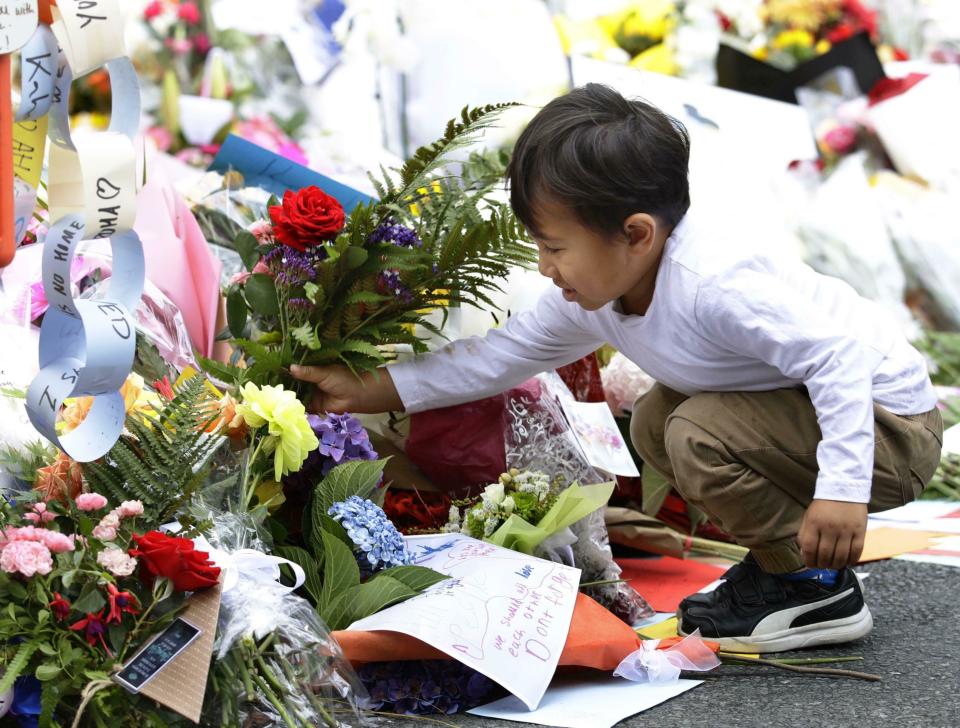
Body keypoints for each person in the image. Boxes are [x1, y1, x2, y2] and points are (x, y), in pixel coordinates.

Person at [291, 83, 942, 653]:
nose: (545, 268)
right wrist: (364, 390)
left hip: (890, 428)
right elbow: (495, 357)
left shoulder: (713, 282)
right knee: (660, 420)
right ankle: (784, 569)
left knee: (695, 433)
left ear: (636, 234)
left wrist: (841, 491)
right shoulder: (602, 292)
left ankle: (817, 588)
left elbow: (838, 357)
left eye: (554, 246)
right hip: (827, 417)